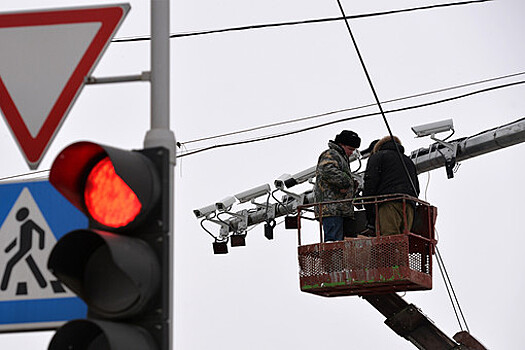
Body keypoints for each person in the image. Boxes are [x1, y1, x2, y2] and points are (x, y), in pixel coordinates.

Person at [363, 136, 420, 235]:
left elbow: (370, 182)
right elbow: (416, 188)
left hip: (388, 204)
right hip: (409, 205)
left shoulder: (378, 156)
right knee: (403, 240)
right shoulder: (408, 161)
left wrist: (367, 206)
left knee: (389, 240)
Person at [314, 130, 361, 242]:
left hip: (338, 209)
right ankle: (333, 258)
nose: (351, 152)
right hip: (332, 208)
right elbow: (327, 170)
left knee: (339, 242)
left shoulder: (340, 157)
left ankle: (337, 258)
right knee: (333, 241)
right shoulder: (331, 154)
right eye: (350, 149)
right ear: (341, 144)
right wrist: (347, 182)